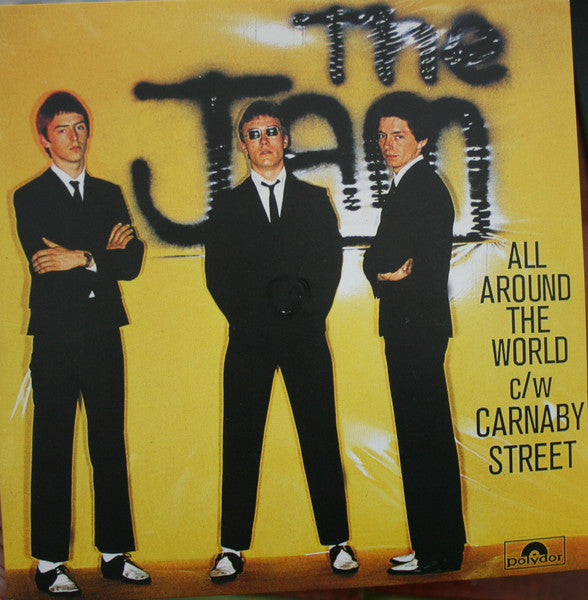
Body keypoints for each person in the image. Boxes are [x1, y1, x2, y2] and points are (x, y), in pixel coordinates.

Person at [204, 100, 358, 582]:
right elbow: (217, 277)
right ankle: (231, 548)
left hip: (305, 336)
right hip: (249, 341)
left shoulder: (314, 200)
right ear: (243, 145)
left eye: (271, 131)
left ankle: (338, 541)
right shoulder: (228, 207)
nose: (264, 141)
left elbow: (330, 266)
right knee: (240, 440)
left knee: (320, 435)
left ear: (286, 139)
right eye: (254, 134)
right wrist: (255, 317)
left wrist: (303, 311)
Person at [13, 91, 150, 596]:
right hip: (55, 335)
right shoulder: (28, 196)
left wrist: (82, 257)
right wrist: (100, 254)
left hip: (103, 332)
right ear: (44, 139)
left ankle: (115, 554)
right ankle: (49, 563)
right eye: (63, 129)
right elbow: (43, 260)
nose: (74, 137)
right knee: (53, 445)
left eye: (80, 127)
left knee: (109, 442)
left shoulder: (110, 193)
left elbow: (131, 262)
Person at [362, 92, 467, 575]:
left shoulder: (421, 187)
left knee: (425, 439)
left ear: (421, 139)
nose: (388, 144)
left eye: (398, 135)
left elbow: (396, 259)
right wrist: (381, 269)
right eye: (382, 136)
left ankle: (437, 551)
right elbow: (379, 259)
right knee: (422, 437)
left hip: (416, 327)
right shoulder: (408, 185)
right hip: (411, 326)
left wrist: (381, 267)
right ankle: (433, 545)